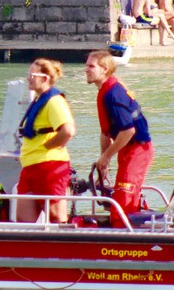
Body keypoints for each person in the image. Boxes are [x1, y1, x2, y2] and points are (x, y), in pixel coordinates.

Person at [84, 50, 155, 228]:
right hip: (127, 148)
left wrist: (107, 156)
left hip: (138, 149)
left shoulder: (113, 95)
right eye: (86, 66)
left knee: (122, 202)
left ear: (105, 69)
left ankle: (124, 235)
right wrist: (104, 163)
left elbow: (128, 131)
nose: (86, 70)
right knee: (123, 196)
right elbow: (105, 133)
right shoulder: (104, 91)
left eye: (91, 66)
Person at [16, 58, 76, 224]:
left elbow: (68, 131)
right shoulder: (39, 99)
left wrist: (49, 146)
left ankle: (63, 247)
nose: (28, 77)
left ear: (45, 78)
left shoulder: (54, 101)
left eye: (32, 74)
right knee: (23, 219)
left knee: (56, 216)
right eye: (28, 74)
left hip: (50, 166)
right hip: (30, 165)